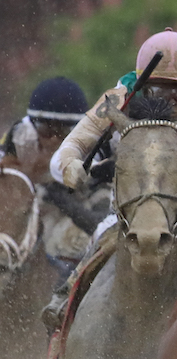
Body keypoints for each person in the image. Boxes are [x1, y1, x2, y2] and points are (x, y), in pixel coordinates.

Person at [42, 29, 177, 331]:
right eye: (159, 93)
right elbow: (68, 149)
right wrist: (71, 167)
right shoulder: (119, 97)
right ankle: (67, 296)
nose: (172, 103)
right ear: (142, 87)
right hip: (140, 182)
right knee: (105, 231)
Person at [0, 77, 104, 275]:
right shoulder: (18, 137)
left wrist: (64, 201)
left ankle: (66, 282)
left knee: (72, 243)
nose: (55, 139)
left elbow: (100, 222)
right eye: (47, 130)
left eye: (63, 131)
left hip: (77, 205)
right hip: (29, 202)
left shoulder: (93, 149)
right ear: (32, 125)